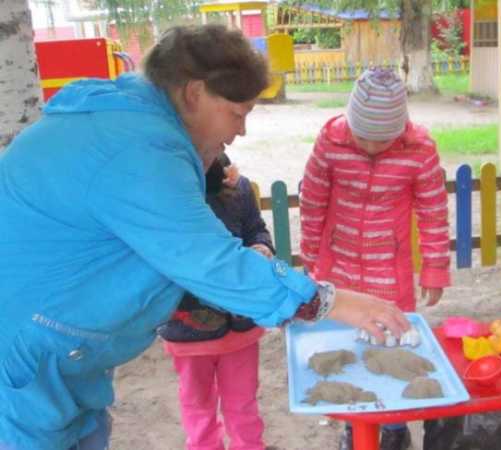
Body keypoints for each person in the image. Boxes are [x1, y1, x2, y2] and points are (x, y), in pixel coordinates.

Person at [0, 25, 409, 450]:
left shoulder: (130, 120)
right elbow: (212, 261)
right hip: (27, 353)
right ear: (194, 93)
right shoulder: (138, 150)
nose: (242, 131)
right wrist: (329, 301)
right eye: (238, 113)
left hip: (61, 349)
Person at [299, 68, 451, 450]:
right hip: (341, 266)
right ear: (350, 123)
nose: (370, 146)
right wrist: (312, 254)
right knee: (348, 342)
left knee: (391, 340)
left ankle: (396, 429)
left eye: (382, 140)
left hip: (390, 267)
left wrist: (434, 268)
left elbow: (433, 210)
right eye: (363, 137)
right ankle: (356, 425)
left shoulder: (420, 150)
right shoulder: (331, 141)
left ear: (399, 129)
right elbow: (313, 199)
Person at [158, 154, 275, 450]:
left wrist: (261, 246)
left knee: (242, 403)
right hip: (186, 331)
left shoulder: (238, 189)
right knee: (197, 405)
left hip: (241, 329)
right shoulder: (162, 197)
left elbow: (255, 228)